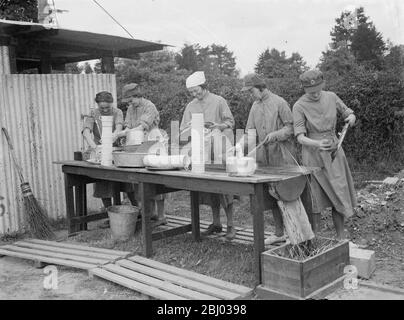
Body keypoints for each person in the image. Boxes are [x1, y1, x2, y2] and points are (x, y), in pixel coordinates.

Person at [292, 69, 357, 239]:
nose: (314, 94)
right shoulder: (299, 106)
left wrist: (351, 116)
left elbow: (347, 111)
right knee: (315, 198)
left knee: (339, 191)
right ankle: (315, 237)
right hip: (313, 157)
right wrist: (317, 143)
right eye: (310, 91)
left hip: (334, 151)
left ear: (323, 84)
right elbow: (300, 137)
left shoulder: (331, 97)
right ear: (304, 88)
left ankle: (341, 236)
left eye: (317, 90)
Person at [180, 71, 237, 240]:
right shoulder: (191, 106)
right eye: (191, 92)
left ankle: (231, 225)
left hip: (220, 149)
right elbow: (183, 130)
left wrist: (218, 126)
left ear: (204, 87)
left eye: (196, 90)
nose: (194, 94)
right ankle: (216, 223)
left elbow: (230, 122)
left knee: (225, 189)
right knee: (209, 188)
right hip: (202, 152)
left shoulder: (219, 101)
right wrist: (191, 127)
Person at [240, 73, 296, 245]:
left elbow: (292, 128)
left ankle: (293, 234)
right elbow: (249, 132)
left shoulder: (280, 102)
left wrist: (277, 134)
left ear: (261, 87)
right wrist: (238, 147)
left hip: (283, 155)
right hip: (265, 156)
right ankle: (279, 233)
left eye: (251, 91)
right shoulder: (254, 106)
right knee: (271, 195)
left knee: (287, 194)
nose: (250, 95)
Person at [119, 83, 167, 225]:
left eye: (131, 100)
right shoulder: (130, 108)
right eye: (128, 101)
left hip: (153, 141)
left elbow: (142, 126)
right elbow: (128, 125)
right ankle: (149, 213)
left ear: (137, 96)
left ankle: (161, 215)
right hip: (138, 143)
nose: (130, 103)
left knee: (156, 180)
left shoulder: (149, 106)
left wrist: (125, 133)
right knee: (141, 180)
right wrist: (123, 132)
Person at [82, 91, 124, 211]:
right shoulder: (93, 114)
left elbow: (119, 128)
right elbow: (86, 132)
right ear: (97, 105)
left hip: (116, 150)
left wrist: (112, 137)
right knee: (102, 182)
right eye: (102, 108)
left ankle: (135, 212)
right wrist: (94, 147)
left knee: (125, 184)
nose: (105, 110)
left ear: (112, 104)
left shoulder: (117, 112)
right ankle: (110, 213)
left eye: (107, 107)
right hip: (99, 152)